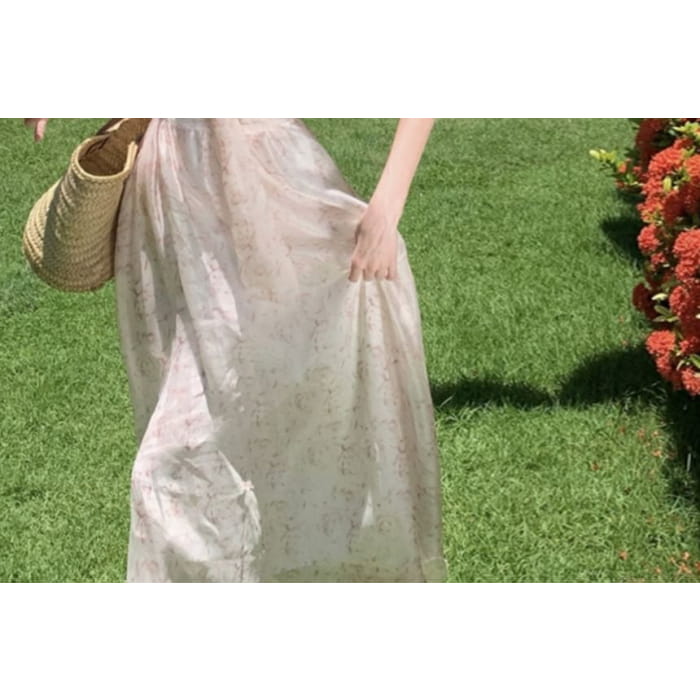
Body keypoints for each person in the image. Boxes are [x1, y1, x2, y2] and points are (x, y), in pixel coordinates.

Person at [24, 117, 447, 582]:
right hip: (170, 204)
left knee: (232, 441)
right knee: (185, 445)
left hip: (264, 196)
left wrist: (386, 208)